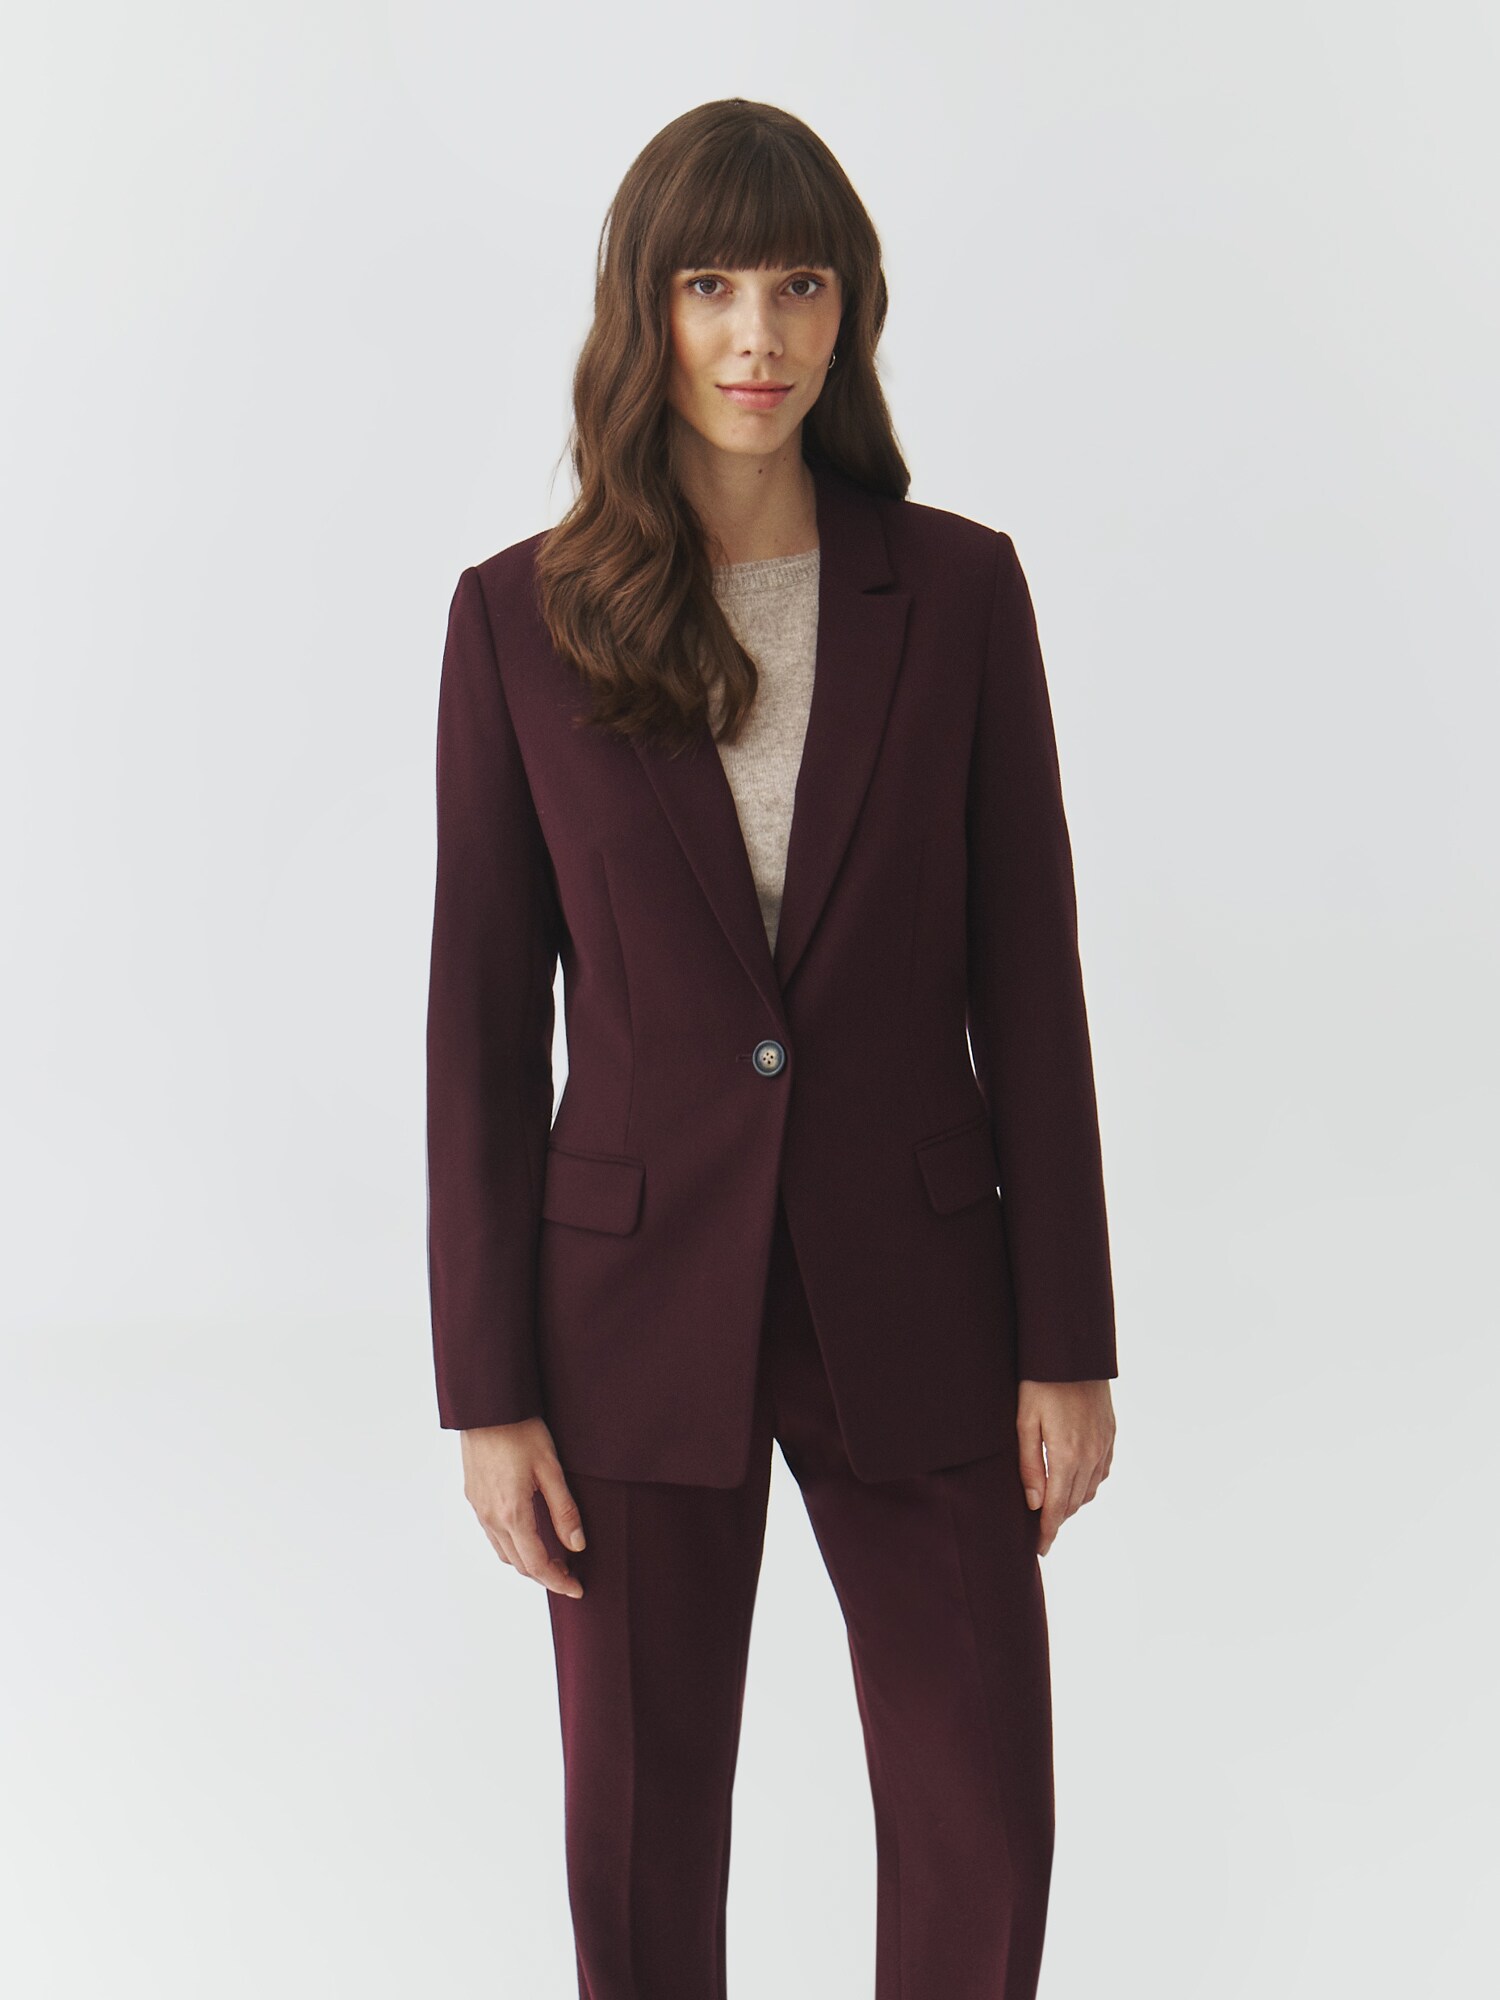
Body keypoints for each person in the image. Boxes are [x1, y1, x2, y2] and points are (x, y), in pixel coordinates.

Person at [426, 96, 1118, 2000]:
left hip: (923, 1288)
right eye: (711, 285)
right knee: (638, 1846)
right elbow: (480, 1025)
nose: (757, 334)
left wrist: (1068, 1340)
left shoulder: (959, 595)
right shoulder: (518, 623)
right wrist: (487, 1390)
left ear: (849, 312)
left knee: (984, 1814)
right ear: (642, 309)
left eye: (799, 285)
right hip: (628, 1315)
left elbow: (1030, 985)